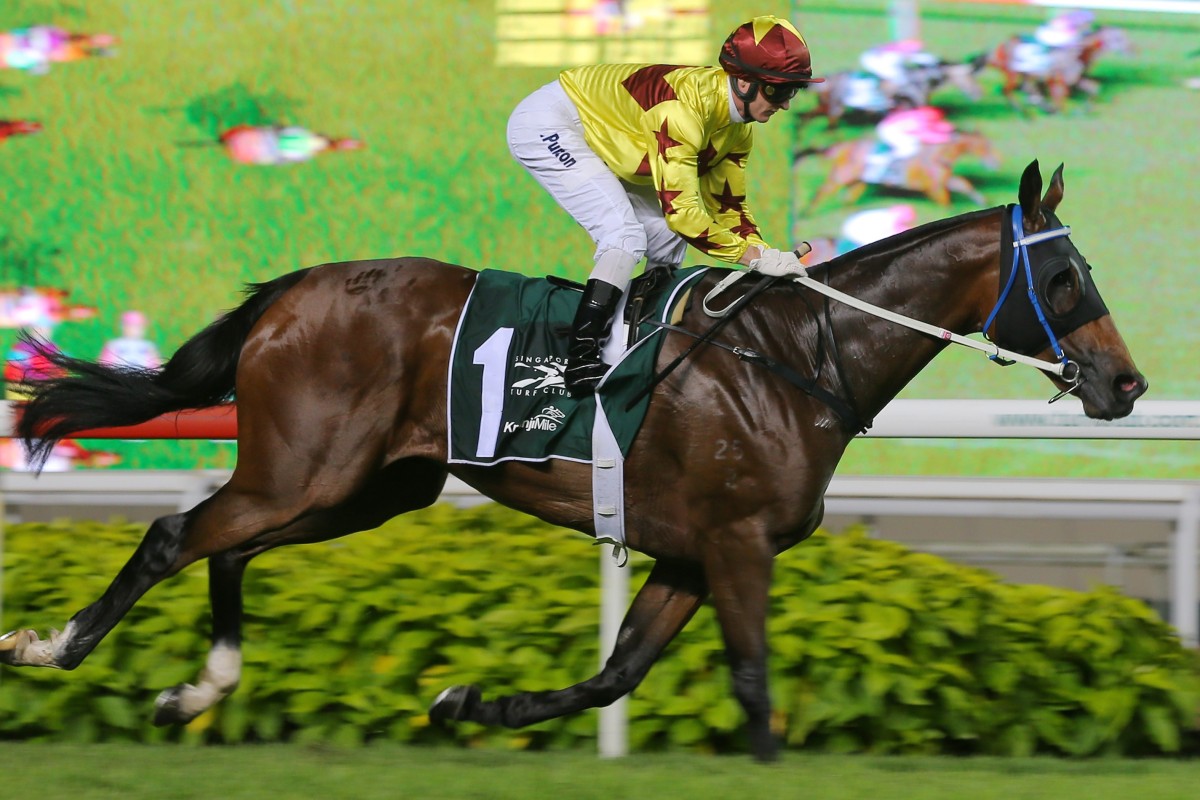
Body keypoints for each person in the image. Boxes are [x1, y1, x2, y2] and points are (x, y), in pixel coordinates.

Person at [507, 15, 823, 395]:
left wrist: (766, 252)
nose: (785, 104)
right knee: (624, 236)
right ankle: (580, 360)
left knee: (666, 240)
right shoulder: (682, 113)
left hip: (609, 133)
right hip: (551, 124)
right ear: (744, 82)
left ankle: (632, 339)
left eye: (793, 92)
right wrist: (751, 257)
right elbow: (684, 215)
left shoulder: (737, 130)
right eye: (778, 91)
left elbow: (727, 206)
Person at [864, 105, 955, 183]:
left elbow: (932, 128)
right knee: (910, 149)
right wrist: (946, 136)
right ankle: (883, 164)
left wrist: (947, 131)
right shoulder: (919, 119)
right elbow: (926, 134)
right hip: (891, 130)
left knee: (910, 147)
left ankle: (884, 159)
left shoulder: (919, 116)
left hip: (890, 127)